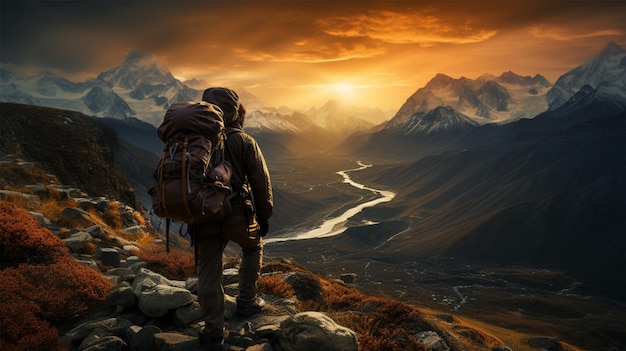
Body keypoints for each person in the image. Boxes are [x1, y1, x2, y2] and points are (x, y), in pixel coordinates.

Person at [195, 87, 273, 349]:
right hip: (238, 213)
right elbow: (260, 183)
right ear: (236, 111)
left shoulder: (195, 141)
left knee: (208, 267)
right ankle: (246, 302)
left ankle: (212, 331)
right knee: (253, 247)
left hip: (204, 214)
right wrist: (264, 215)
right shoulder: (244, 141)